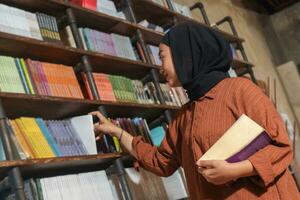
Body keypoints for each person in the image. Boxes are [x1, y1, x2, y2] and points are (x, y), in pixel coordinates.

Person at [90, 22, 300, 199]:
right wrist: (116, 131)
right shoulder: (184, 116)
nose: (160, 67)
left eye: (162, 57)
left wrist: (235, 170)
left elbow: (281, 146)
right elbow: (160, 161)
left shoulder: (239, 89)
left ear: (185, 55)